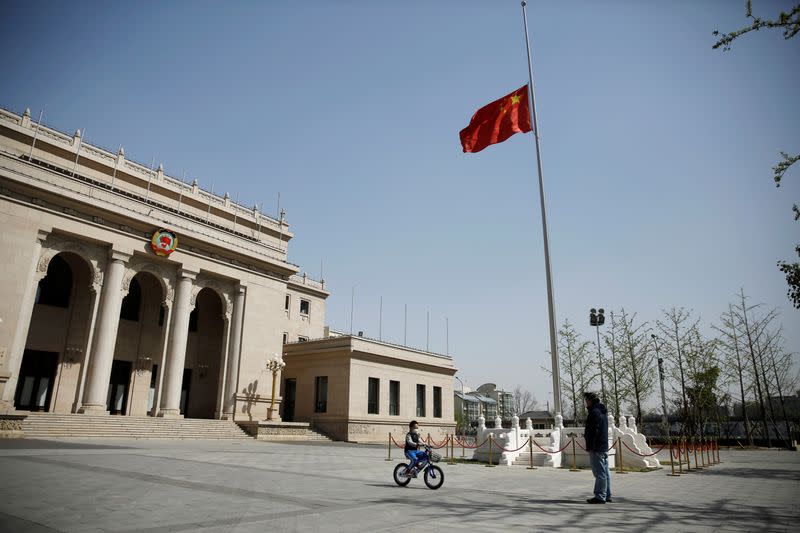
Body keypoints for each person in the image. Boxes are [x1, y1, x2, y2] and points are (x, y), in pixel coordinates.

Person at [583, 391, 612, 504]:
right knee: (605, 472)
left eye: (586, 400)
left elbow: (594, 431)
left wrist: (591, 445)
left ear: (590, 401)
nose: (586, 403)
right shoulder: (602, 412)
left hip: (597, 447)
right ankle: (607, 494)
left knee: (599, 473)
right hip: (603, 445)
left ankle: (600, 496)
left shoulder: (594, 413)